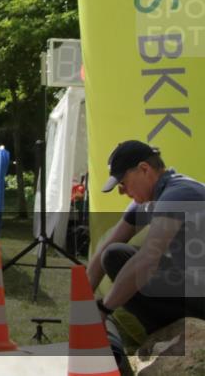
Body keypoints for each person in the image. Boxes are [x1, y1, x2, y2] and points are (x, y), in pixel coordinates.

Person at [87, 141, 205, 339]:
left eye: (123, 183)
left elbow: (148, 260)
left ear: (144, 169)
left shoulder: (178, 193)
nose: (121, 191)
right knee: (115, 255)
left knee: (138, 262)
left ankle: (167, 334)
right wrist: (81, 301)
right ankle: (165, 334)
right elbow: (105, 250)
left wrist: (103, 309)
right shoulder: (149, 200)